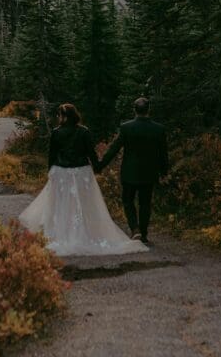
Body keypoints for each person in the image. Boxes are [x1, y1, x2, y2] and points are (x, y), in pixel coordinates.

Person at [18, 104, 147, 256]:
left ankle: (63, 233)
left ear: (64, 116)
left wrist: (50, 173)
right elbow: (90, 153)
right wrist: (98, 167)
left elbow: (52, 155)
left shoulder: (56, 133)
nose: (58, 118)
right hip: (81, 173)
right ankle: (85, 232)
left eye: (59, 115)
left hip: (62, 173)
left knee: (62, 204)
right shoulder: (84, 132)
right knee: (84, 204)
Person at [98, 97, 168, 245]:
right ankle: (143, 234)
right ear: (149, 109)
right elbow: (163, 154)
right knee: (145, 203)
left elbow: (114, 149)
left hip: (129, 173)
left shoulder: (126, 127)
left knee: (128, 201)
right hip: (149, 173)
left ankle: (134, 229)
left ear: (134, 109)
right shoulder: (159, 129)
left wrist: (100, 165)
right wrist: (164, 172)